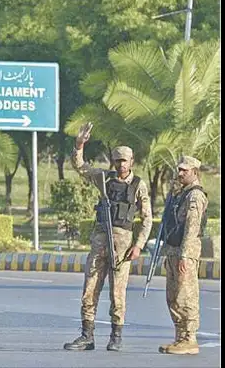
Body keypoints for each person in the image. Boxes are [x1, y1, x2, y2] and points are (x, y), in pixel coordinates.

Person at [63, 122, 152, 352]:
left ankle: (116, 336)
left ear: (131, 162)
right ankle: (87, 336)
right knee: (89, 289)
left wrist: (139, 246)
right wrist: (79, 144)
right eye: (117, 160)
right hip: (100, 242)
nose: (121, 164)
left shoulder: (138, 185)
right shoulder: (104, 179)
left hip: (122, 250)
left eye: (125, 160)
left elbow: (147, 219)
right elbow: (80, 166)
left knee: (117, 293)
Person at [158, 156, 208, 355]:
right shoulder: (180, 194)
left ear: (195, 172)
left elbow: (191, 228)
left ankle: (190, 338)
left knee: (186, 296)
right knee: (173, 296)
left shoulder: (195, 196)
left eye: (184, 171)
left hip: (185, 253)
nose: (180, 173)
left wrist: (185, 256)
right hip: (173, 251)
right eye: (179, 170)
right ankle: (180, 337)